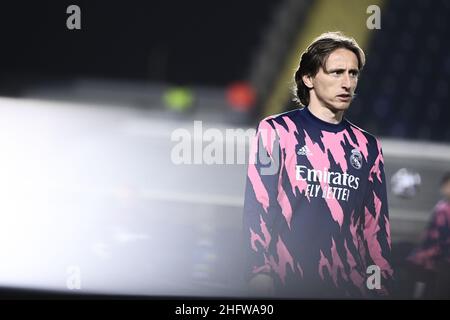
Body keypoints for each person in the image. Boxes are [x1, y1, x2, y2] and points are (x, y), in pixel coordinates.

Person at [242, 31, 394, 298]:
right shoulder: (276, 131)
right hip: (285, 283)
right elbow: (259, 205)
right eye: (336, 72)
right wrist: (258, 271)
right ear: (308, 78)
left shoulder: (368, 147)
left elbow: (375, 226)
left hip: (349, 289)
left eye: (353, 73)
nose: (347, 82)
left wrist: (381, 285)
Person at [406, 172, 450, 298]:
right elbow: (431, 234)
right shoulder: (441, 207)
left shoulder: (444, 209)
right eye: (446, 185)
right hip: (435, 260)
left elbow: (442, 238)